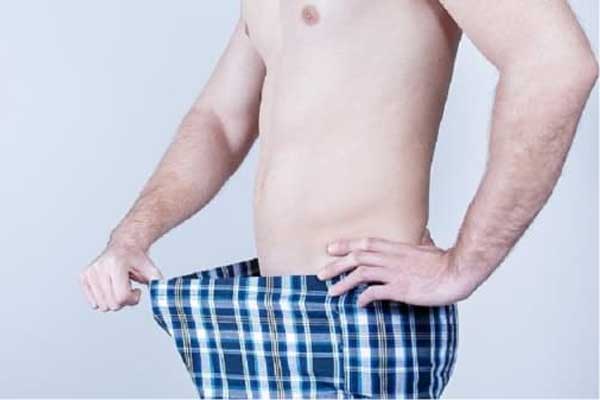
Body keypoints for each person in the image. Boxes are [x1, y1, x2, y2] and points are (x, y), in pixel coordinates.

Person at [80, 1, 598, 398]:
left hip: (358, 314)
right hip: (269, 311)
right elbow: (220, 119)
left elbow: (555, 63)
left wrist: (464, 265)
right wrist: (132, 234)